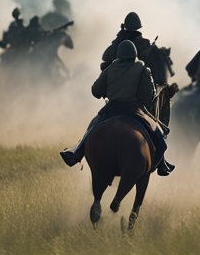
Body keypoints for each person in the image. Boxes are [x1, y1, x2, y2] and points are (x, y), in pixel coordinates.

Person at [59, 40, 174, 175]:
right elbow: (150, 95)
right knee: (161, 142)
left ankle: (76, 154)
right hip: (134, 110)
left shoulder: (110, 69)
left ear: (119, 54)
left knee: (91, 129)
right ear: (134, 54)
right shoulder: (143, 68)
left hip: (111, 109)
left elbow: (96, 91)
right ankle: (158, 166)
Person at [100, 11, 170, 86]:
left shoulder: (120, 44)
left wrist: (119, 38)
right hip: (142, 90)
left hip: (120, 88)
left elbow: (106, 58)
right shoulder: (146, 45)